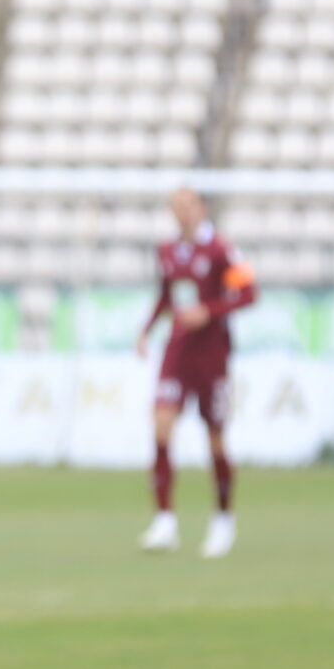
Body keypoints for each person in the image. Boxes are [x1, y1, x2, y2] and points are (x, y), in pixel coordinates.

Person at [135, 188, 256, 558]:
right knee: (161, 425)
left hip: (211, 356)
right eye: (176, 207)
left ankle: (223, 520)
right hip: (177, 351)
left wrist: (209, 311)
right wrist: (145, 331)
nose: (182, 213)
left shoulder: (221, 251)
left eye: (188, 206)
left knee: (215, 438)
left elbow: (248, 293)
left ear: (201, 209)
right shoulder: (168, 252)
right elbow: (165, 296)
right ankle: (165, 521)